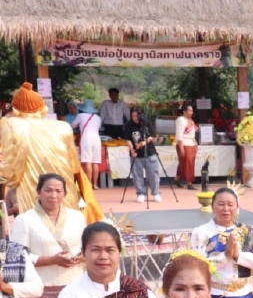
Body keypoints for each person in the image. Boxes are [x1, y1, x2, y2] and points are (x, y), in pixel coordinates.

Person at [0, 83, 102, 223]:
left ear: (16, 110)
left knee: (34, 232)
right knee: (69, 231)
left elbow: (9, 175)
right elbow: (75, 167)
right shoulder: (64, 127)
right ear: (43, 109)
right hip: (64, 196)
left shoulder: (12, 125)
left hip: (33, 199)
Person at [126, 108, 160, 203]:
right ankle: (141, 193)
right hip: (136, 155)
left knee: (153, 174)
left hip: (149, 152)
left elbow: (152, 136)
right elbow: (128, 139)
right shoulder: (129, 124)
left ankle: (156, 193)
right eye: (133, 116)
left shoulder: (146, 122)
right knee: (137, 175)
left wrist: (141, 144)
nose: (135, 118)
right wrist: (132, 149)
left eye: (137, 116)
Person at [72, 100, 103, 189]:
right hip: (96, 138)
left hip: (86, 138)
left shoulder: (80, 116)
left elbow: (73, 125)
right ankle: (95, 184)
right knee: (95, 162)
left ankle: (89, 184)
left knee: (88, 161)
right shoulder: (98, 118)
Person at [175, 104, 199, 190]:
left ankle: (176, 179)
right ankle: (189, 183)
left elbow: (192, 134)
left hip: (191, 144)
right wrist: (181, 148)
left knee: (185, 163)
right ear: (184, 111)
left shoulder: (190, 120)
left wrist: (195, 142)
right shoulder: (180, 120)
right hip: (184, 144)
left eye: (192, 111)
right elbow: (179, 135)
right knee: (188, 163)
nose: (191, 112)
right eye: (190, 111)